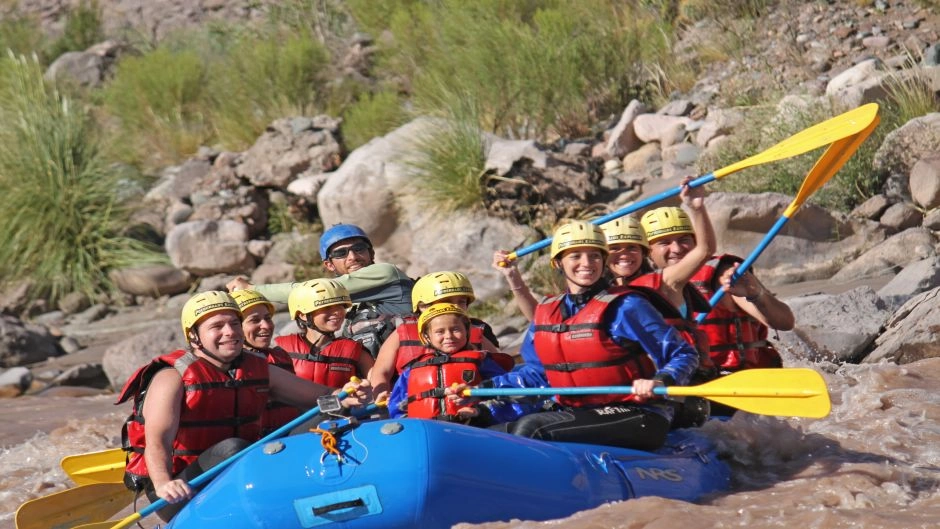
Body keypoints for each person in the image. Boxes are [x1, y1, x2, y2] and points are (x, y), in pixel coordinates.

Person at [116, 291, 371, 521]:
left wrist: (346, 397)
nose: (230, 332)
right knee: (232, 448)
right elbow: (157, 440)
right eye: (217, 326)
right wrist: (163, 483)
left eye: (235, 324)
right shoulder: (171, 377)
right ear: (194, 336)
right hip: (180, 488)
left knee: (330, 411)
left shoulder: (257, 368)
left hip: (246, 473)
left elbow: (322, 397)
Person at [478, 220, 700, 451]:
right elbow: (536, 374)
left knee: (531, 428)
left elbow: (683, 354)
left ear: (603, 261)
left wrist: (661, 380)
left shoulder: (627, 306)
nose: (586, 263)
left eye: (594, 256)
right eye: (575, 256)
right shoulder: (546, 312)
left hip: (637, 413)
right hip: (577, 412)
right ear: (558, 263)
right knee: (488, 433)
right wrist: (482, 390)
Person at [227, 223, 414, 358]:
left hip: (408, 363)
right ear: (329, 265)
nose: (353, 257)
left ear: (371, 253)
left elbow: (308, 293)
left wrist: (252, 289)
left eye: (359, 249)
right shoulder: (340, 300)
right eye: (341, 253)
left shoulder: (386, 273)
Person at [368, 271, 510, 400]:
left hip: (467, 404)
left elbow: (501, 371)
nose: (455, 307)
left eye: (461, 302)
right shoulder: (402, 332)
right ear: (422, 306)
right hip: (415, 407)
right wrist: (382, 393)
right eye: (446, 301)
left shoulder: (473, 332)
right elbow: (381, 372)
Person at [386, 303, 512, 425]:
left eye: (456, 329)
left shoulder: (482, 362)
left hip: (474, 428)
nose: (449, 336)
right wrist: (407, 421)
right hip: (428, 431)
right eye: (440, 332)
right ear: (426, 336)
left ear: (467, 331)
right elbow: (396, 407)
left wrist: (480, 411)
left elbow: (508, 397)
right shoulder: (412, 371)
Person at [275, 278, 374, 388]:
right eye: (327, 308)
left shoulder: (356, 351)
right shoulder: (280, 348)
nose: (337, 312)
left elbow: (377, 384)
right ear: (303, 315)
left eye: (340, 306)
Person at [229, 289, 299, 435]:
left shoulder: (282, 357)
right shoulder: (224, 367)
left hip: (291, 439)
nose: (266, 326)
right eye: (254, 320)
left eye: (268, 318)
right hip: (251, 445)